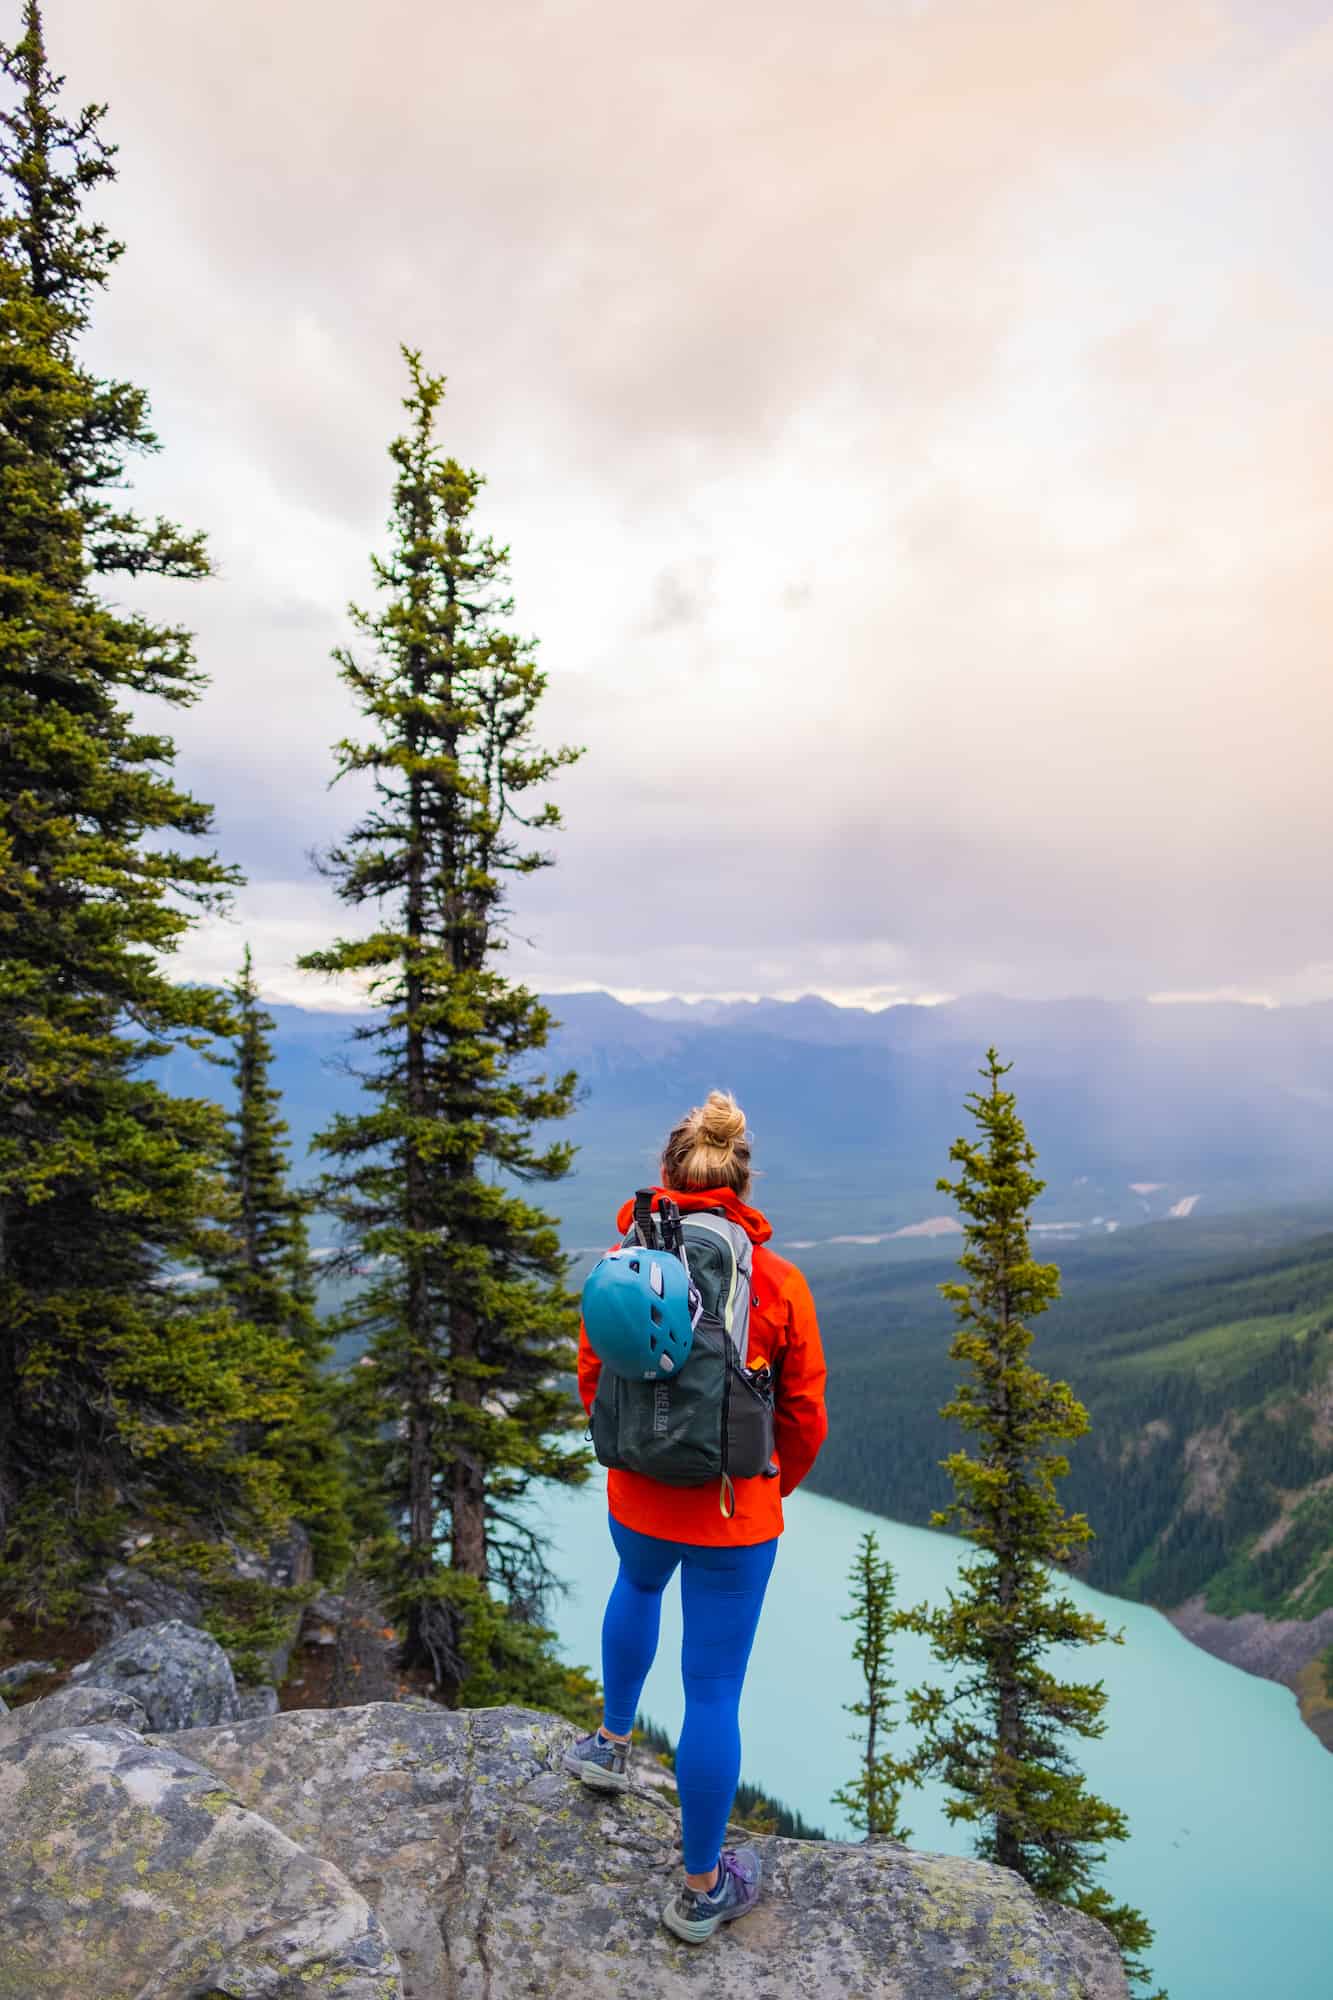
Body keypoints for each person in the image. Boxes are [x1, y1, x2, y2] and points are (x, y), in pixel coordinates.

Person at [565, 1090, 828, 1945]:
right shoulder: (778, 1283)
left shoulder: (621, 1263)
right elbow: (803, 1414)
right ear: (741, 1180)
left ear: (665, 1174)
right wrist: (770, 1484)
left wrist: (635, 1457)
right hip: (732, 1511)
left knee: (633, 1589)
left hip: (637, 1495)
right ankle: (700, 1887)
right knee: (712, 1690)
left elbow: (592, 1376)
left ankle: (606, 1746)